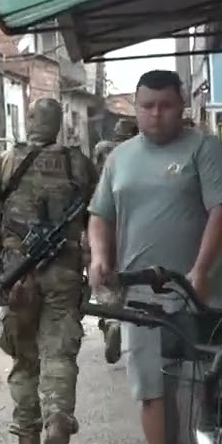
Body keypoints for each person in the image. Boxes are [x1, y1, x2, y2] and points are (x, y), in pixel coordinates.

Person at [86, 70, 222, 444]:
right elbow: (99, 214)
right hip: (140, 296)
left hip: (197, 292)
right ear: (136, 108)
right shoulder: (120, 158)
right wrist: (99, 256)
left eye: (166, 105)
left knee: (199, 389)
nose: (157, 114)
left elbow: (221, 212)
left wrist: (201, 270)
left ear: (182, 105)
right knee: (152, 390)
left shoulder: (204, 149)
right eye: (148, 106)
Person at [0, 98, 96, 444]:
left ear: (30, 122)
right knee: (58, 353)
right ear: (58, 125)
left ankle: (26, 443)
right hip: (64, 271)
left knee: (24, 357)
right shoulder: (77, 163)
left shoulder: (6, 161)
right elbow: (98, 209)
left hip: (17, 272)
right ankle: (57, 422)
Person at [90, 117, 139, 365]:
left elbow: (91, 183)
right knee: (132, 276)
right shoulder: (140, 152)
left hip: (103, 219)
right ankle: (123, 319)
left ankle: (111, 320)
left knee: (105, 277)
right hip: (132, 223)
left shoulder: (103, 151)